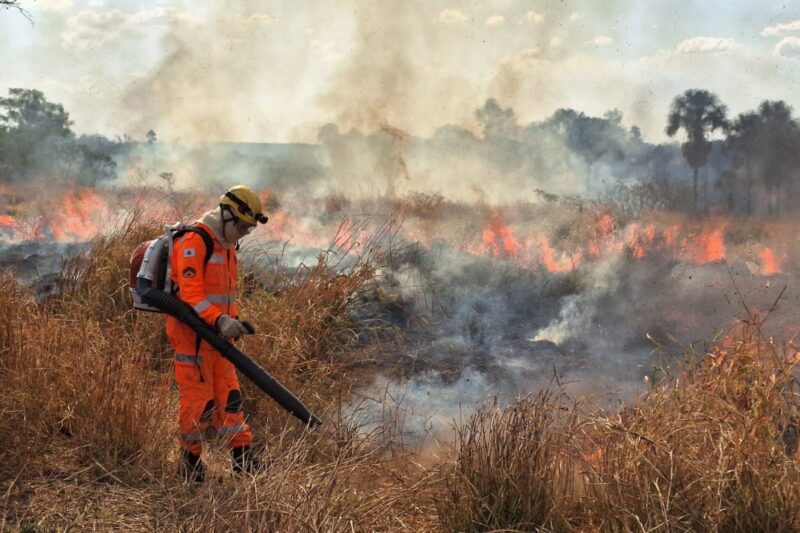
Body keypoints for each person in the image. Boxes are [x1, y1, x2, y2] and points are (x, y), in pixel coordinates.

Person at [167, 184, 269, 482]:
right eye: (241, 226)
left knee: (230, 397)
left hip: (220, 339)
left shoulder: (226, 247)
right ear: (226, 215)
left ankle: (242, 458)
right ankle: (190, 463)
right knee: (199, 402)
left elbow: (224, 295)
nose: (244, 233)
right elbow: (191, 294)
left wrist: (231, 323)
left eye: (249, 229)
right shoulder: (195, 241)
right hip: (193, 338)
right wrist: (218, 320)